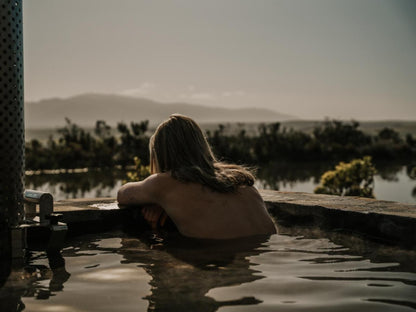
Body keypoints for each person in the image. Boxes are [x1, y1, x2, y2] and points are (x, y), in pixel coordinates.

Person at [117, 114, 276, 239]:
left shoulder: (163, 184)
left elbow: (123, 194)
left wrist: (156, 198)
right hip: (261, 262)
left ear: (161, 154)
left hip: (219, 263)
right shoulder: (243, 184)